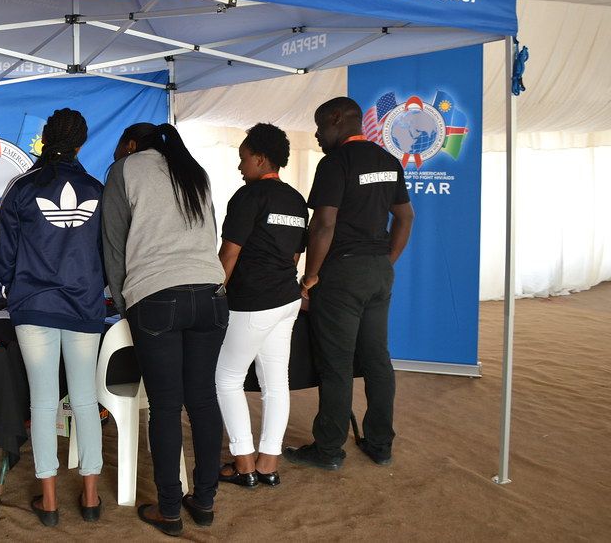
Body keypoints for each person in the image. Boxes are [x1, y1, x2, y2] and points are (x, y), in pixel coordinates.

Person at [102, 122, 227, 536]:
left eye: (121, 147)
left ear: (132, 145)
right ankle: (205, 502)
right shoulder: (196, 171)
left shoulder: (126, 170)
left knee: (166, 406)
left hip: (156, 296)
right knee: (204, 400)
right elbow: (211, 230)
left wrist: (123, 303)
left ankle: (170, 509)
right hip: (211, 293)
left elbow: (113, 243)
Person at [284, 97, 415, 471]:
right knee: (377, 359)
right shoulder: (389, 162)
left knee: (337, 364)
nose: (317, 134)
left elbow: (323, 225)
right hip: (377, 272)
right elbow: (405, 219)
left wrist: (309, 277)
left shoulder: (334, 163)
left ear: (337, 120)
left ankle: (328, 450)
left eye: (320, 126)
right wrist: (384, 261)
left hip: (341, 274)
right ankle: (380, 443)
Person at [0, 109, 106, 527]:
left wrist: (13, 284)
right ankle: (91, 499)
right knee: (85, 401)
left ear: (44, 139)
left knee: (42, 403)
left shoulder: (21, 187)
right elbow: (109, 252)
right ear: (81, 143)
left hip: (34, 304)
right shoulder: (97, 188)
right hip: (84, 306)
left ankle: (51, 501)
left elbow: (1, 251)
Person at [215, 123, 308, 489]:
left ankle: (243, 462)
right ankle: (268, 462)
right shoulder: (296, 200)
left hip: (253, 302)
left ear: (259, 158)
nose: (240, 168)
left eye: (242, 159)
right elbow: (296, 252)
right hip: (287, 300)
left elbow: (229, 253)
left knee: (226, 378)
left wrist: (213, 295)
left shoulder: (247, 196)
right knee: (275, 382)